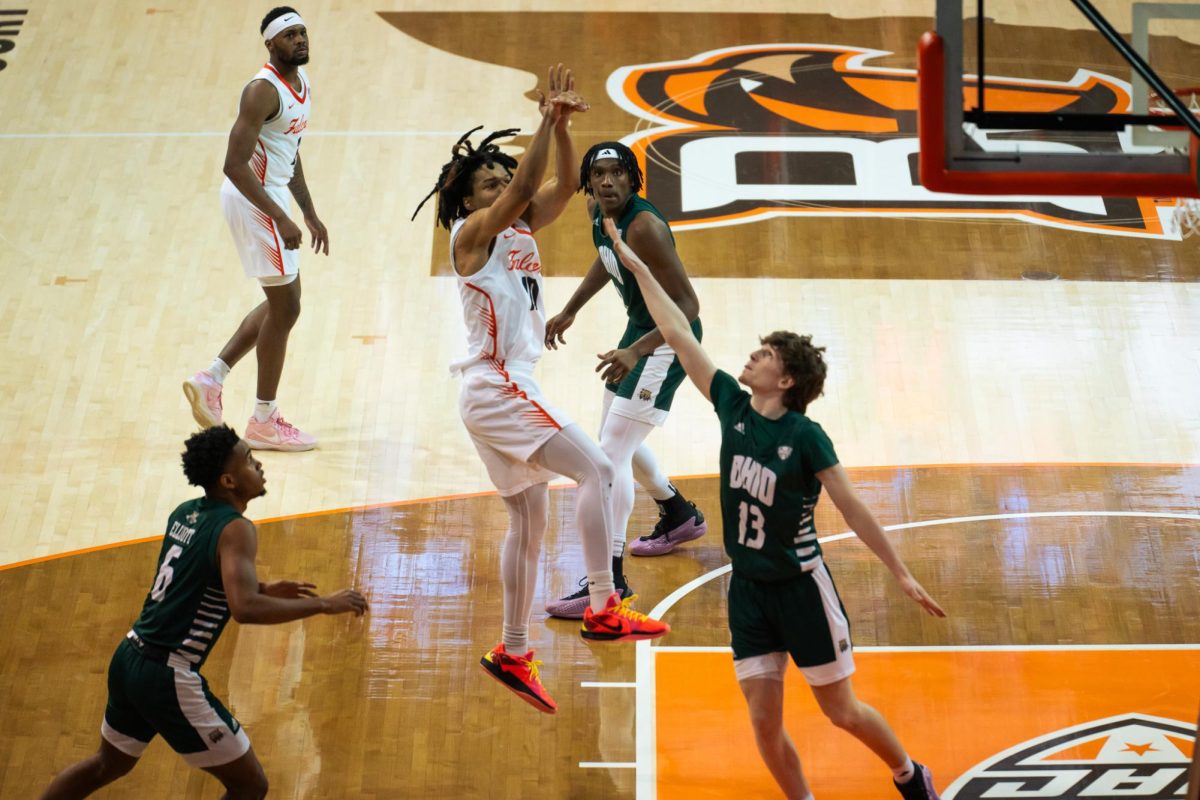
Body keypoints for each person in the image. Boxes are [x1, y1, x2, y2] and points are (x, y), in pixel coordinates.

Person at [599, 216, 947, 800]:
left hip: (802, 588)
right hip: (749, 591)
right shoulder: (731, 403)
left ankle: (910, 775)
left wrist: (902, 573)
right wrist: (635, 266)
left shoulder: (807, 437)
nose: (751, 358)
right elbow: (678, 331)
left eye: (762, 355)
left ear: (783, 379)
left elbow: (855, 509)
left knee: (842, 712)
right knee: (763, 722)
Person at [410, 66, 669, 715]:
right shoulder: (470, 237)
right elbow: (527, 184)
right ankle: (606, 607)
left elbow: (555, 188)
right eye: (490, 184)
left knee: (529, 521)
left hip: (499, 390)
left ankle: (513, 648)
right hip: (495, 384)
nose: (506, 189)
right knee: (601, 469)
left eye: (503, 180)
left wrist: (563, 131)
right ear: (469, 201)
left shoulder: (520, 229)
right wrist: (548, 118)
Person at [39, 425, 368, 799]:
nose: (258, 464)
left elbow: (190, 579)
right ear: (229, 480)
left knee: (106, 764)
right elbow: (243, 609)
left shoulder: (185, 513)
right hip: (168, 673)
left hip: (130, 656)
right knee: (250, 784)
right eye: (249, 459)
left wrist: (262, 587)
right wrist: (324, 604)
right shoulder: (236, 528)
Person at [543, 141, 707, 620]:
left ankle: (608, 582)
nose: (608, 182)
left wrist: (638, 349)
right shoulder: (599, 210)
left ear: (633, 181)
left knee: (607, 458)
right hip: (638, 333)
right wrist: (572, 307)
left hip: (665, 341)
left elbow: (689, 308)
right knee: (618, 445)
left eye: (618, 174)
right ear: (588, 183)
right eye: (600, 174)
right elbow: (606, 255)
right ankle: (678, 515)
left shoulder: (646, 226)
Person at [183, 6, 327, 451]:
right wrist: (279, 215)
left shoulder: (300, 86)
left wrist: (307, 210)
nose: (300, 40)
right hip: (254, 197)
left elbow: (289, 149)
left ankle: (212, 377)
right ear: (270, 43)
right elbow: (233, 164)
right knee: (287, 308)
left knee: (284, 302)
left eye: (303, 32)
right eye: (290, 35)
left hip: (273, 196)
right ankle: (264, 418)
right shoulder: (262, 90)